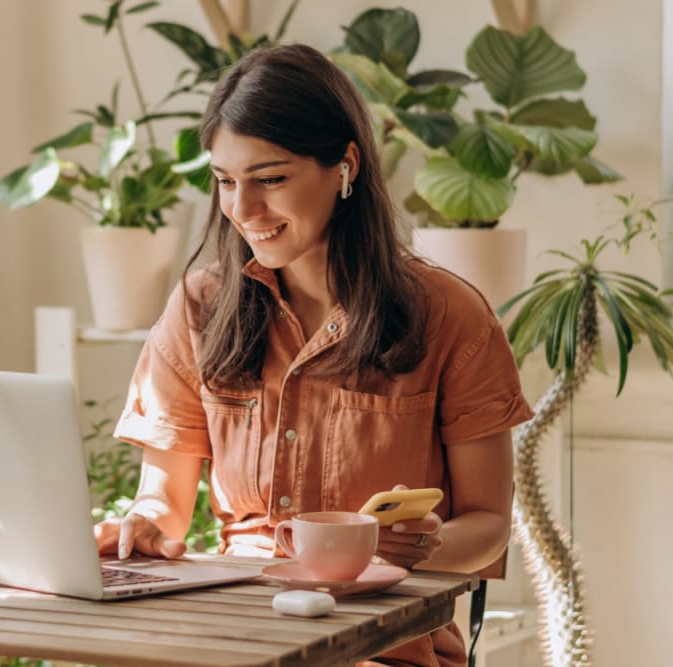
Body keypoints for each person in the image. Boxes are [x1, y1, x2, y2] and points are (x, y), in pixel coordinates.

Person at [93, 43, 533, 667]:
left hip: (384, 644)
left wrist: (421, 548)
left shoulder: (449, 315)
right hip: (231, 634)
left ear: (344, 167)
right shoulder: (201, 305)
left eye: (270, 179)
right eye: (225, 181)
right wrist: (140, 527)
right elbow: (162, 502)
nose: (243, 210)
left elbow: (489, 521)